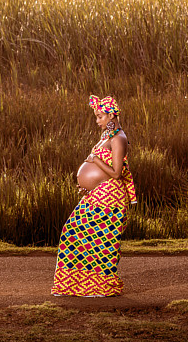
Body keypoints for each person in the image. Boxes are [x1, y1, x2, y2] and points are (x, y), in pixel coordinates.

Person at [51, 95, 137, 297]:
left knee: (99, 240)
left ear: (111, 115)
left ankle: (100, 286)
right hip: (98, 193)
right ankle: (74, 285)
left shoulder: (119, 138)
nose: (97, 121)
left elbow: (116, 172)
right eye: (96, 117)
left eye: (99, 116)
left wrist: (95, 161)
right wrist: (88, 185)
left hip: (110, 197)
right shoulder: (106, 137)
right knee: (73, 230)